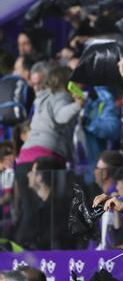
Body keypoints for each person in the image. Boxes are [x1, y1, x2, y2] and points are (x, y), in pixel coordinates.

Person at [14, 66, 83, 248]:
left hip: (24, 158)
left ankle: (20, 251)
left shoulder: (42, 98)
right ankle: (48, 251)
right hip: (46, 158)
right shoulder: (61, 96)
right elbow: (61, 117)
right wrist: (78, 105)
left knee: (29, 210)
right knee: (54, 209)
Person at [27, 157, 75, 250]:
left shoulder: (59, 207)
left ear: (39, 177)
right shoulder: (39, 206)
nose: (28, 175)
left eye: (32, 172)